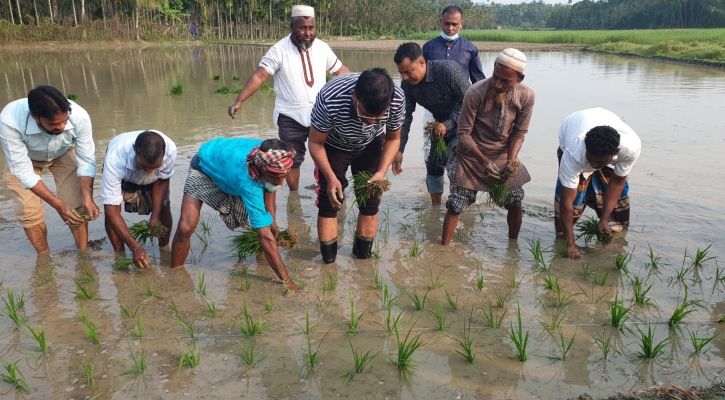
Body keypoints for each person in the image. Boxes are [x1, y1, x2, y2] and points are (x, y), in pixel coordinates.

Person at [228, 5, 350, 191]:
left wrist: (358, 91)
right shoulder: (279, 50)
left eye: (311, 28)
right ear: (291, 27)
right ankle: (294, 198)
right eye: (302, 28)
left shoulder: (322, 48)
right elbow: (260, 76)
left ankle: (328, 189)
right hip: (290, 115)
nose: (307, 33)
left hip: (320, 112)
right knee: (292, 158)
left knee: (328, 153)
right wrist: (240, 100)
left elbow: (341, 72)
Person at [171, 138, 298, 293]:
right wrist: (287, 280)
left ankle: (264, 260)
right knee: (185, 227)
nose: (280, 182)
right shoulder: (248, 181)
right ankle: (175, 274)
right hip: (206, 166)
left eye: (283, 176)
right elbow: (264, 236)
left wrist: (273, 223)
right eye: (274, 177)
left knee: (264, 221)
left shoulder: (271, 154)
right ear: (261, 169)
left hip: (232, 173)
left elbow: (271, 190)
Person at [309, 68, 405, 263]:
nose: (370, 122)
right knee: (331, 200)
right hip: (333, 146)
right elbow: (315, 142)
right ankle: (328, 265)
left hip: (371, 145)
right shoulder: (331, 97)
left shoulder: (396, 99)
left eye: (377, 118)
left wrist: (381, 171)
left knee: (370, 200)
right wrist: (330, 177)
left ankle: (362, 261)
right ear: (354, 95)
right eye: (366, 115)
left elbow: (393, 139)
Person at [441, 48, 535, 245]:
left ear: (519, 79)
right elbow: (463, 134)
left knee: (515, 202)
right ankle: (443, 248)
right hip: (470, 156)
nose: (498, 84)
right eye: (495, 77)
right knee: (456, 205)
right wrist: (483, 160)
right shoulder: (475, 92)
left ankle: (512, 247)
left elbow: (519, 133)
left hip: (502, 156)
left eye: (505, 81)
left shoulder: (527, 96)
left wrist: (510, 163)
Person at [0, 85, 99, 253]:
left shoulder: (79, 116)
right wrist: (57, 204)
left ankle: (83, 253)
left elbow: (86, 160)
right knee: (28, 211)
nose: (61, 127)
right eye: (54, 124)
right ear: (34, 117)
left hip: (63, 151)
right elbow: (24, 173)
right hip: (27, 159)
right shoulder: (10, 120)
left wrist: (87, 197)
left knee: (75, 204)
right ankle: (44, 257)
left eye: (64, 121)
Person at [554, 108, 642, 260]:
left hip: (606, 155)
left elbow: (616, 183)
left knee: (616, 222)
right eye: (591, 159)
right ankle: (566, 238)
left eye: (599, 161)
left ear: (616, 152)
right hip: (573, 134)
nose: (594, 164)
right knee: (571, 210)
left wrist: (604, 219)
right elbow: (566, 201)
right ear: (585, 147)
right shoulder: (574, 151)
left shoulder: (630, 149)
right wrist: (570, 243)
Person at [393, 42, 470, 206]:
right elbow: (405, 116)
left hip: (465, 126)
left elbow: (469, 102)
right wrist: (399, 149)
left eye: (408, 72)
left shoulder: (448, 70)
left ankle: (460, 206)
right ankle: (435, 210)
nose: (405, 78)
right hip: (440, 128)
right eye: (401, 73)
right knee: (434, 168)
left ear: (422, 62)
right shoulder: (407, 85)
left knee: (454, 164)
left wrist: (448, 124)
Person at [101, 130, 177, 269]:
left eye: (154, 167)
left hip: (157, 180)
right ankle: (119, 254)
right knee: (113, 210)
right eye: (144, 166)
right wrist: (135, 247)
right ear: (135, 150)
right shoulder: (115, 159)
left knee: (164, 207)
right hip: (125, 174)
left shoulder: (170, 150)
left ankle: (165, 248)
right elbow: (111, 210)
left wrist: (154, 217)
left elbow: (162, 181)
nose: (149, 171)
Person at [420, 5, 485, 162]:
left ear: (461, 23)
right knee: (430, 148)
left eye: (454, 24)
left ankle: (453, 179)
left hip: (461, 110)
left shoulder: (470, 49)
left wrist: (484, 107)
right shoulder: (429, 47)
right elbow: (419, 76)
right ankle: (432, 177)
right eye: (447, 23)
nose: (450, 27)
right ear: (440, 22)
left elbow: (479, 81)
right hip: (433, 108)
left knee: (458, 148)